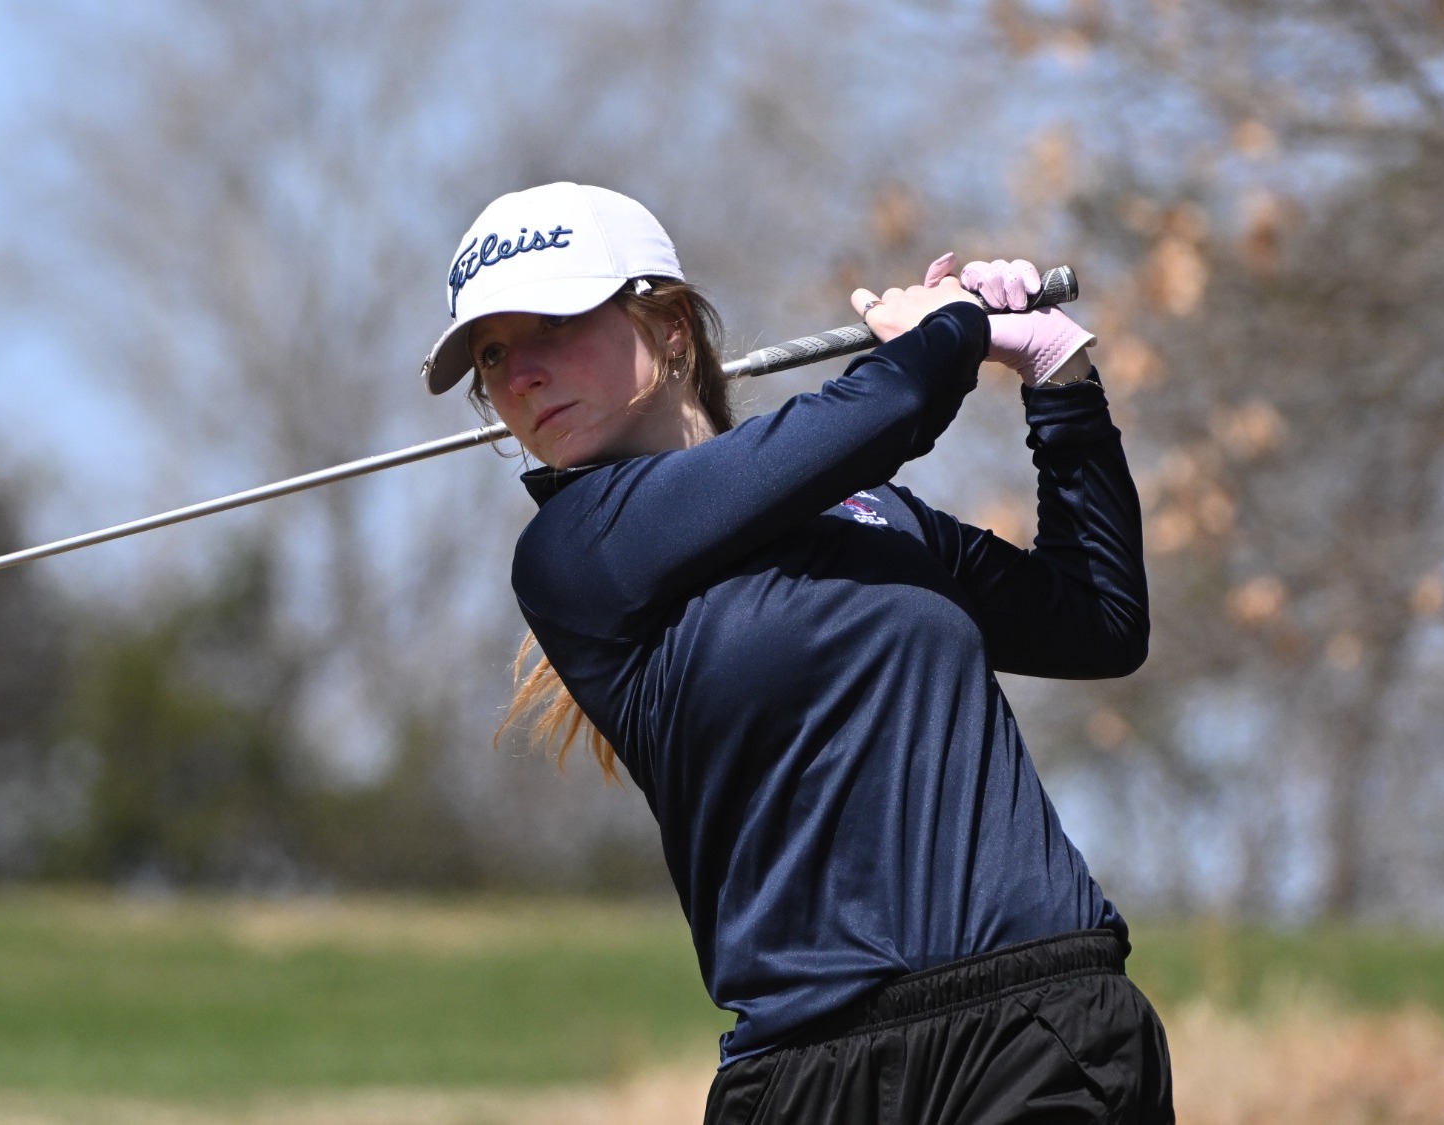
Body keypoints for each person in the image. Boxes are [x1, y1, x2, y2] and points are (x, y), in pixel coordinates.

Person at [422, 182, 1172, 1123]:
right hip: (804, 1079)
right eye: (492, 354)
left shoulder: (874, 517)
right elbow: (892, 399)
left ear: (670, 328)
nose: (519, 373)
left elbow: (1099, 619)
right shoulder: (577, 549)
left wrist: (1057, 374)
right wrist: (945, 332)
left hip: (1038, 1032)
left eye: (552, 325)